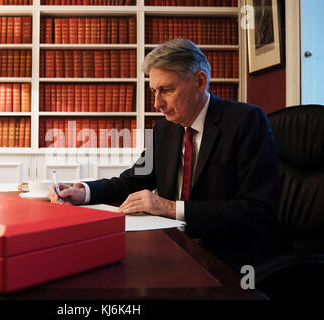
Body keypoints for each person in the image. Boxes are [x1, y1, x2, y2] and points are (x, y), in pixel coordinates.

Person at [48, 38, 285, 271]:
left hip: (231, 257)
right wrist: (83, 191)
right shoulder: (166, 128)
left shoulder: (246, 121)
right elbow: (133, 180)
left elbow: (257, 211)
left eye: (166, 90)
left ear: (200, 82)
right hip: (175, 246)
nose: (157, 104)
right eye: (154, 91)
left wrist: (170, 208)